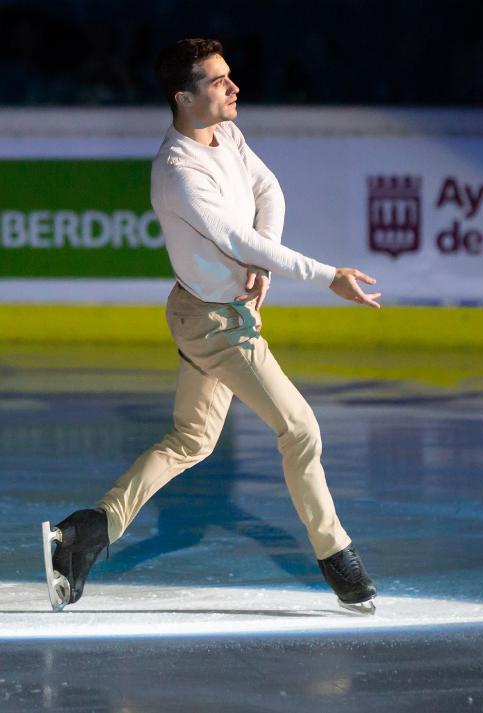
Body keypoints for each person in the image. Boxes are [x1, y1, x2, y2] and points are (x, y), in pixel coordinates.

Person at [41, 37, 381, 615]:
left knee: (191, 440)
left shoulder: (227, 134)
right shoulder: (177, 172)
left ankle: (83, 536)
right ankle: (337, 556)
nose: (234, 87)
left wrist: (261, 260)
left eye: (230, 77)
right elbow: (235, 237)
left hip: (208, 309)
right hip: (216, 324)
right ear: (183, 97)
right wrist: (326, 276)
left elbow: (266, 189)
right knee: (299, 428)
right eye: (219, 81)